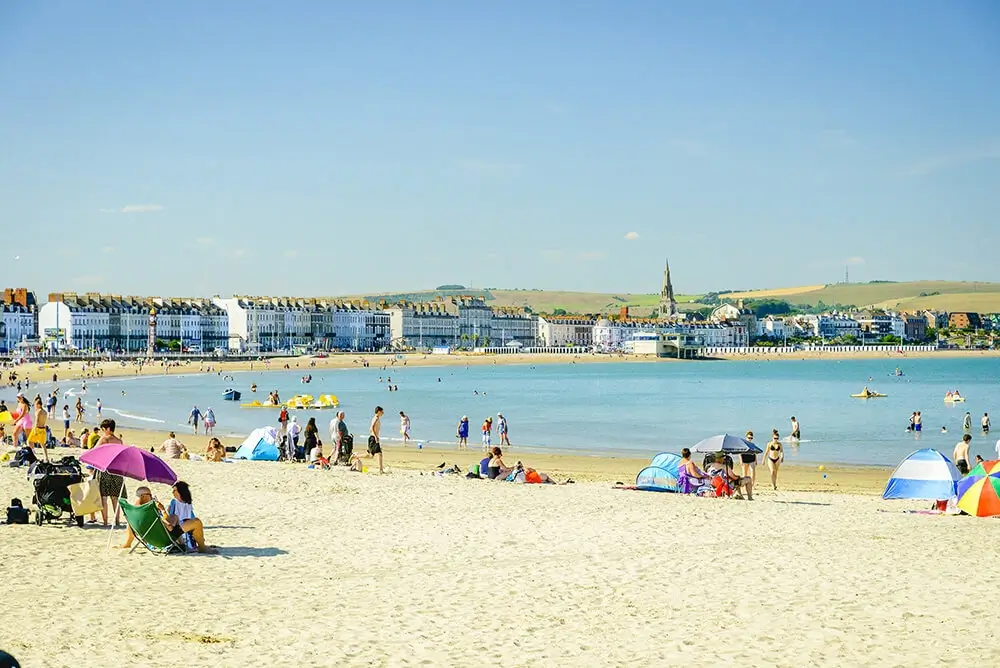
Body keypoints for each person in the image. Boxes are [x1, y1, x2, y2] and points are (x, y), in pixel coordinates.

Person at [115, 483, 216, 553]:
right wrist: (162, 510)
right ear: (143, 496)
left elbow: (132, 528)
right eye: (150, 495)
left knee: (174, 516)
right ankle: (202, 547)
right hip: (165, 539)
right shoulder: (150, 510)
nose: (152, 496)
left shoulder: (133, 513)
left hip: (150, 539)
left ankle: (127, 544)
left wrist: (127, 543)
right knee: (197, 522)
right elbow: (168, 526)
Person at [94, 418, 126, 527]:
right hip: (117, 471)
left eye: (103, 429)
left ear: (107, 428)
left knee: (104, 497)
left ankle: (105, 521)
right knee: (115, 497)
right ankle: (117, 521)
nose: (103, 431)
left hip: (105, 469)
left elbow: (94, 451)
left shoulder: (104, 439)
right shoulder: (119, 441)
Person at [367, 406, 384, 474]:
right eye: (382, 411)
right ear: (379, 411)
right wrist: (376, 436)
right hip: (373, 438)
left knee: (371, 455)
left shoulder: (377, 418)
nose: (383, 413)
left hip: (374, 437)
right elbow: (372, 427)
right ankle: (380, 470)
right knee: (378, 454)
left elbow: (371, 428)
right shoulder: (376, 418)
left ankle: (355, 456)